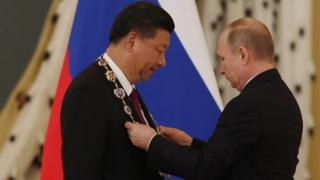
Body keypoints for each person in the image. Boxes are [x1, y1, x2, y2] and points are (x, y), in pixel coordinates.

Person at [125, 17, 303, 180]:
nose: (221, 69)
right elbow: (242, 161)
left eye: (223, 59)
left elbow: (205, 169)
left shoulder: (248, 105)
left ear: (243, 55)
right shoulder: (285, 98)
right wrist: (190, 143)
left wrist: (152, 141)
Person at [60, 2, 174, 180]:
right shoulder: (88, 91)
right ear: (131, 41)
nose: (162, 62)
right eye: (160, 50)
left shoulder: (125, 89)